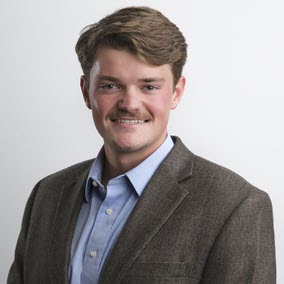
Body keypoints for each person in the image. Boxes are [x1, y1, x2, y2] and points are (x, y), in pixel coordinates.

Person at [8, 6, 276, 284]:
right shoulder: (47, 195)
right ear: (86, 92)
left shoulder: (236, 207)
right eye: (110, 86)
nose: (130, 104)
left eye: (149, 87)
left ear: (176, 92)